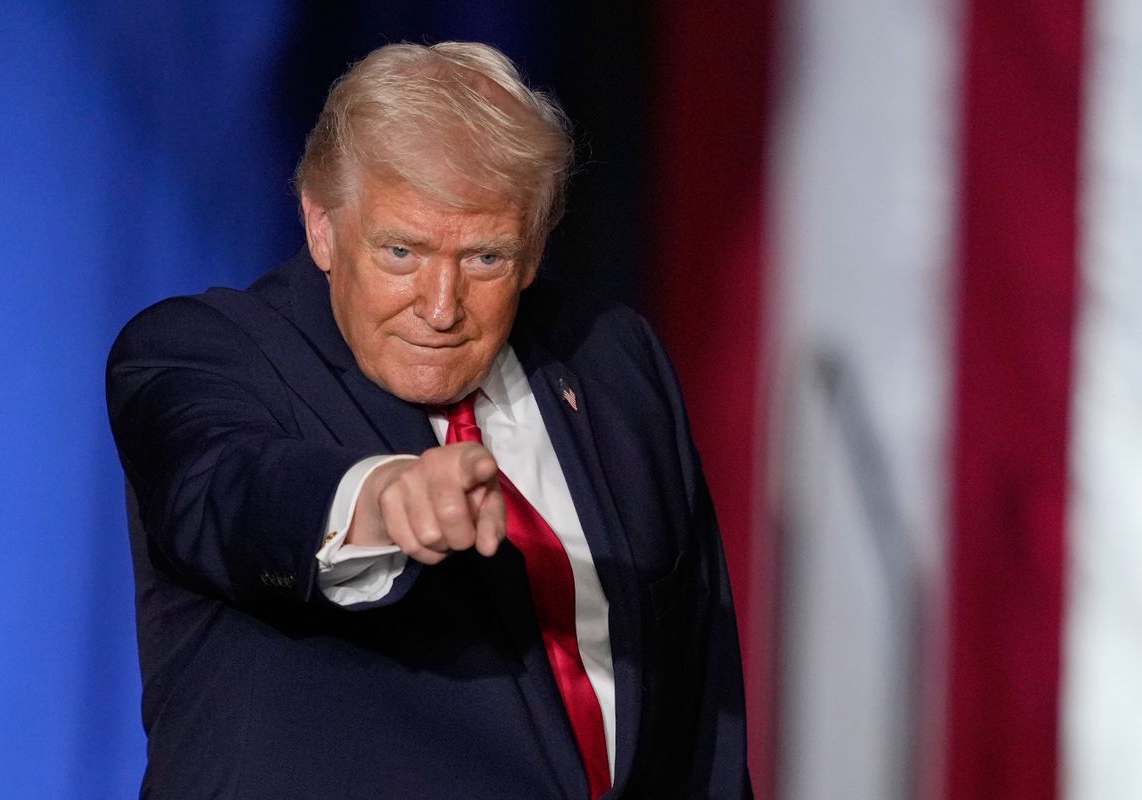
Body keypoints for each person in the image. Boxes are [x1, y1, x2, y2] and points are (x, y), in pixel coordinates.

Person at [107, 41, 752, 800]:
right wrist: (378, 502)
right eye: (402, 252)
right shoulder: (205, 353)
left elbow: (698, 703)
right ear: (322, 223)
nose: (440, 306)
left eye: (484, 258)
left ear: (535, 248)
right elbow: (226, 491)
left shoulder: (614, 364)